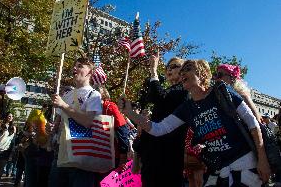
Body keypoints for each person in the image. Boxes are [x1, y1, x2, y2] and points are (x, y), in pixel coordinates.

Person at [119, 59, 271, 187]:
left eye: (188, 68)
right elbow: (160, 129)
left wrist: (262, 159)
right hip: (219, 169)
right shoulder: (187, 108)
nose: (183, 72)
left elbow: (253, 124)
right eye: (182, 70)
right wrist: (130, 113)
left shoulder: (222, 92)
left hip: (245, 164)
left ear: (202, 73)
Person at [133, 53, 188, 187]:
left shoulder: (183, 91)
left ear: (184, 71)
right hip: (152, 154)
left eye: (174, 66)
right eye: (167, 67)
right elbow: (154, 97)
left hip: (168, 154)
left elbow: (158, 97)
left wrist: (153, 71)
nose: (169, 69)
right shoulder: (169, 90)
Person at [50, 55, 102, 187]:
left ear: (90, 73)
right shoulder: (67, 95)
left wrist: (64, 106)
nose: (75, 68)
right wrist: (52, 128)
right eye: (75, 65)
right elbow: (59, 123)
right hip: (61, 154)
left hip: (81, 156)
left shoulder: (93, 95)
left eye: (80, 66)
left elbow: (88, 122)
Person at [0, 112, 16, 185]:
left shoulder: (13, 127)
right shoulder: (1, 125)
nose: (10, 117)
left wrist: (12, 151)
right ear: (6, 117)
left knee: (1, 168)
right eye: (9, 116)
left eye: (12, 116)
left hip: (6, 150)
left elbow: (13, 141)